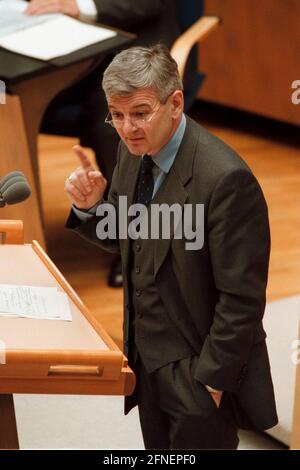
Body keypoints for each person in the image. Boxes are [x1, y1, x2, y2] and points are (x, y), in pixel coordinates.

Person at [64, 44, 277, 449]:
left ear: (175, 102)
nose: (128, 128)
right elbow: (135, 242)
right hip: (145, 358)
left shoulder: (226, 180)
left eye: (140, 113)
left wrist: (211, 383)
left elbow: (242, 299)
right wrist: (93, 208)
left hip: (198, 366)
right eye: (117, 116)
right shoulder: (133, 151)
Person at [26, 0, 181, 287]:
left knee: (115, 126)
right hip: (56, 51)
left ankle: (137, 243)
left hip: (134, 52)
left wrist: (77, 5)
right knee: (8, 101)